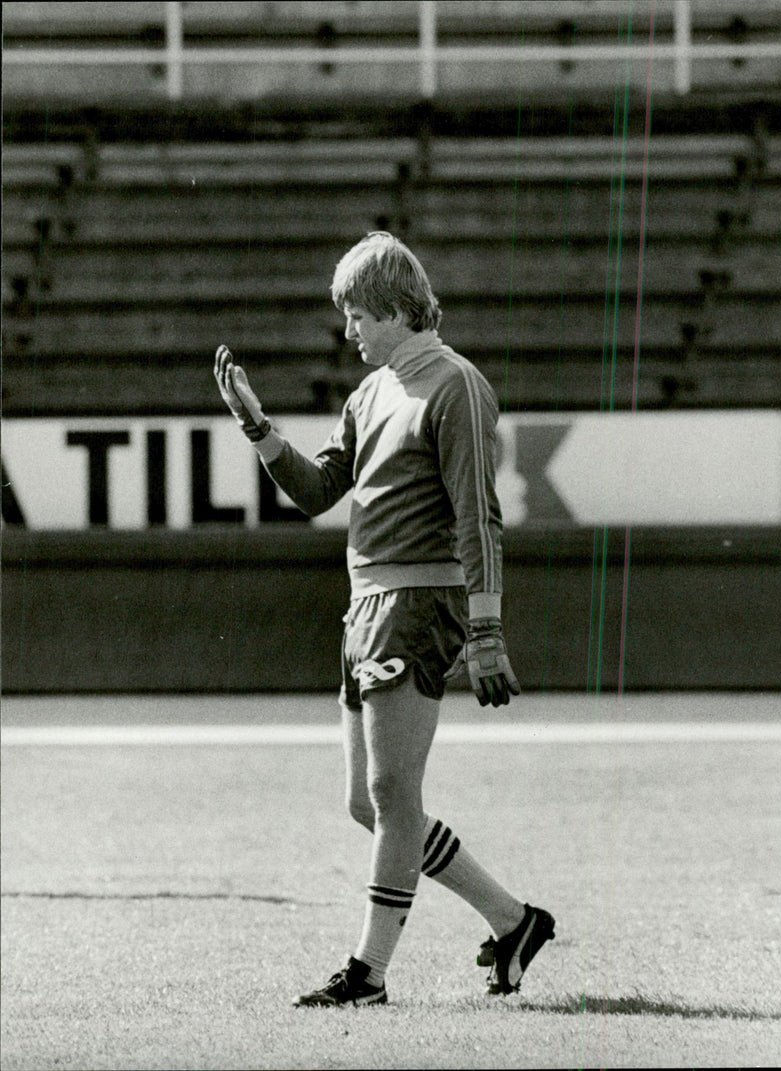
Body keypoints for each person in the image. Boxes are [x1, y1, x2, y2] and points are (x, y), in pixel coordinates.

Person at [214, 231, 555, 1007]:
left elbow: (480, 519)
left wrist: (488, 629)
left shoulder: (456, 386)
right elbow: (317, 491)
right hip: (363, 607)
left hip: (417, 604)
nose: (349, 332)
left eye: (359, 315)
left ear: (401, 308)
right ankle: (514, 920)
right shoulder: (369, 394)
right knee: (368, 804)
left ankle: (366, 973)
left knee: (393, 792)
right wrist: (259, 428)